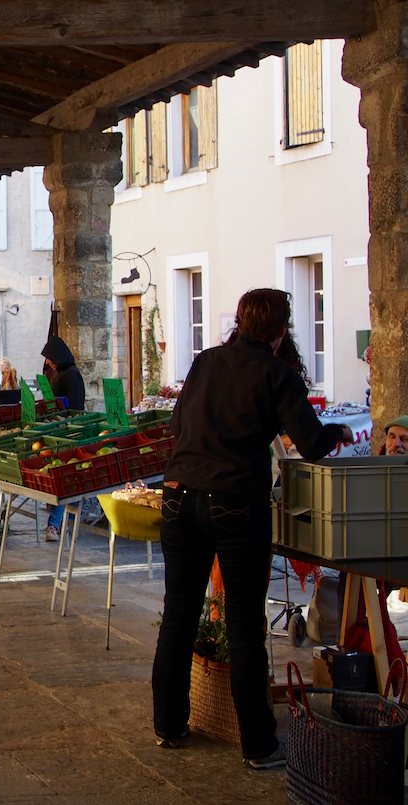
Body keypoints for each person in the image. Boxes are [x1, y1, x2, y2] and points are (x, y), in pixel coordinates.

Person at [152, 288, 351, 769]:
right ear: (281, 331)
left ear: (240, 322)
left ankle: (169, 725)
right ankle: (259, 745)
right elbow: (311, 442)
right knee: (243, 626)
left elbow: (178, 425)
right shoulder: (278, 373)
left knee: (179, 615)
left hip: (179, 496)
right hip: (234, 502)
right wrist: (339, 432)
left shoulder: (205, 361)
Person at [41, 335, 86, 541]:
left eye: (49, 358)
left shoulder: (71, 375)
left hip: (69, 434)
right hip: (61, 432)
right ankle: (64, 523)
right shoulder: (61, 373)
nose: (48, 362)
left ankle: (57, 524)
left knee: (66, 479)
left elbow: (74, 407)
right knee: (68, 480)